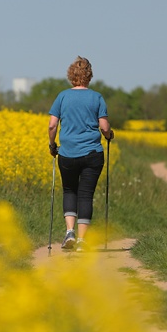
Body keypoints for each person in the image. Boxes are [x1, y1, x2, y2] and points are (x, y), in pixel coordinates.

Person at [48, 56, 114, 252]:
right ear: (89, 75)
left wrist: (52, 145)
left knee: (70, 190)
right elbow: (104, 127)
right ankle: (83, 241)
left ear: (71, 76)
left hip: (67, 153)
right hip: (92, 153)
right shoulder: (97, 97)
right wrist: (110, 135)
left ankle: (70, 232)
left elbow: (52, 125)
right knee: (86, 195)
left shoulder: (62, 96)